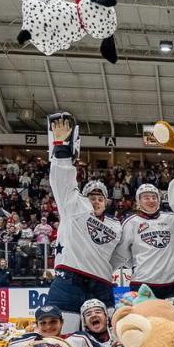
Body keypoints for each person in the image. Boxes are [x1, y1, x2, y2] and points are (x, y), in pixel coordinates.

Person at [45, 113, 124, 333]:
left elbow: (119, 256)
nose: (96, 201)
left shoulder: (116, 225)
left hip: (101, 284)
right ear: (84, 197)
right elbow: (61, 181)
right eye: (92, 197)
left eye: (101, 198)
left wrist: (102, 264)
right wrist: (61, 151)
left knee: (106, 338)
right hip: (69, 280)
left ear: (106, 202)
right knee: (59, 335)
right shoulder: (74, 206)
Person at [116, 183, 174, 301]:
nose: (151, 200)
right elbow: (122, 253)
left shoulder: (172, 219)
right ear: (139, 201)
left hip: (172, 284)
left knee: (173, 318)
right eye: (146, 197)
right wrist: (138, 266)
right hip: (142, 283)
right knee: (143, 319)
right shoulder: (131, 223)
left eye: (154, 197)